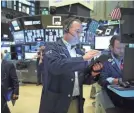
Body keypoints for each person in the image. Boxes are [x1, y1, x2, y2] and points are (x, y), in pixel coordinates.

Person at [39, 18, 103, 113]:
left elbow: (82, 79)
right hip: (57, 102)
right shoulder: (52, 46)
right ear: (66, 30)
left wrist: (93, 73)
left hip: (75, 101)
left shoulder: (79, 52)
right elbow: (55, 67)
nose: (80, 35)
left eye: (81, 32)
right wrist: (83, 59)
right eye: (77, 31)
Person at [98, 35, 134, 112]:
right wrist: (117, 81)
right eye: (118, 48)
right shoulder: (104, 60)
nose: (122, 51)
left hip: (130, 97)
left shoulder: (130, 59)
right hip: (113, 98)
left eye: (124, 48)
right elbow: (102, 79)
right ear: (111, 47)